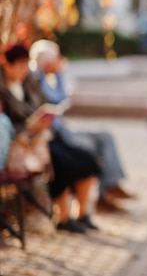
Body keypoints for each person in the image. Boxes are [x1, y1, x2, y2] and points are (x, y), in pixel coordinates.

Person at [0, 42, 100, 233]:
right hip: (24, 144)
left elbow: (47, 102)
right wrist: (28, 127)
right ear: (7, 65)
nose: (23, 71)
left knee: (87, 158)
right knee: (62, 163)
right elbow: (8, 122)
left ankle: (83, 213)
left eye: (25, 66)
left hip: (44, 136)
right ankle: (63, 217)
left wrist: (43, 117)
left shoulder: (28, 80)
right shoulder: (2, 88)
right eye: (19, 67)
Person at [29, 39, 135, 212]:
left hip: (63, 130)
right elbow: (60, 100)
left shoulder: (47, 77)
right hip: (56, 134)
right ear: (48, 61)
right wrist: (60, 75)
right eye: (57, 58)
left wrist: (58, 75)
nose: (60, 61)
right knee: (90, 151)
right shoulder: (36, 78)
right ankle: (105, 193)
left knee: (105, 136)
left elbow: (63, 101)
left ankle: (110, 185)